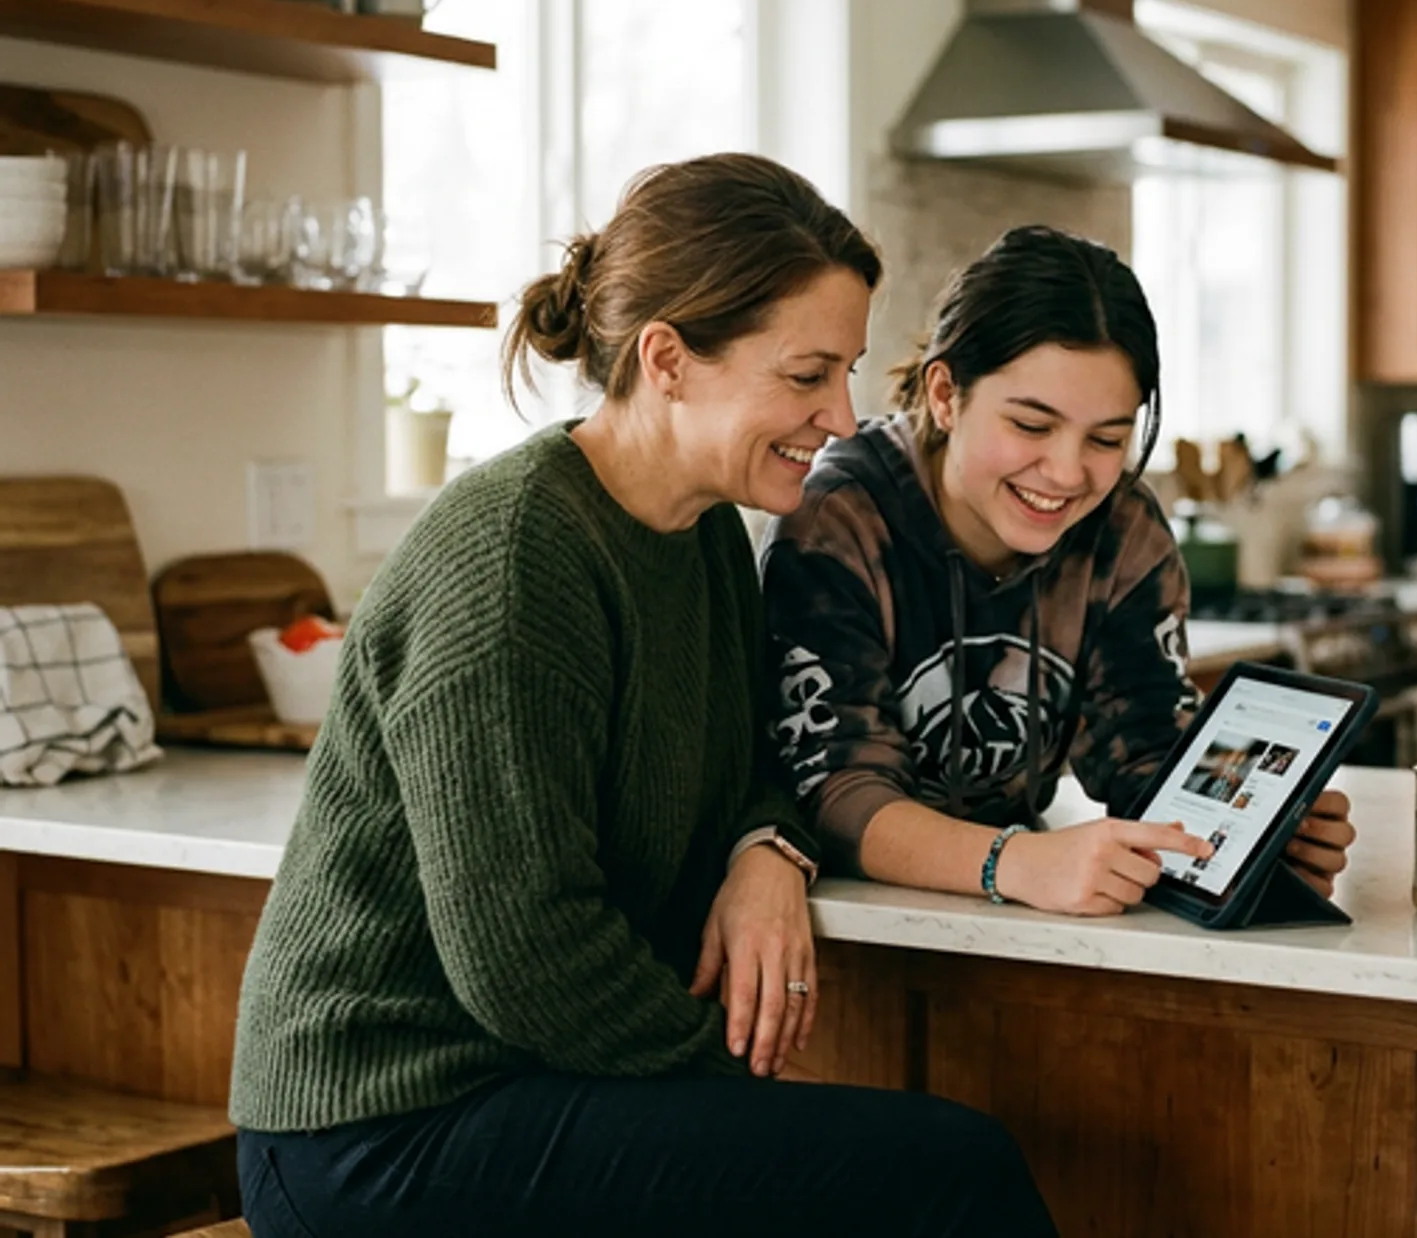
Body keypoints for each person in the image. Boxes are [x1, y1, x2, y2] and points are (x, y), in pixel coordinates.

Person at [229, 154, 1059, 1238]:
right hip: (378, 1128)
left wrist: (770, 850)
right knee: (946, 1173)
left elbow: (763, 749)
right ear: (668, 359)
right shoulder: (517, 559)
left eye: (848, 372)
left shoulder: (707, 531)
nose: (843, 416)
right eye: (807, 375)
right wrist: (730, 1084)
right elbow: (525, 959)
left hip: (527, 1085)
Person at [761, 225, 1355, 916]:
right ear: (947, 394)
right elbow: (835, 791)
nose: (1069, 473)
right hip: (854, 927)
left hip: (1019, 911)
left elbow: (1147, 754)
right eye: (1032, 426)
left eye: (1106, 438)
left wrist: (1248, 832)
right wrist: (1014, 860)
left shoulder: (1123, 531)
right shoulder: (840, 516)